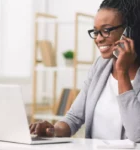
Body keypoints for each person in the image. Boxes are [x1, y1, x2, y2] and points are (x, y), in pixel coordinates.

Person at [30, 0, 140, 142]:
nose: (98, 39)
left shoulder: (124, 71)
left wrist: (122, 72)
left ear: (129, 31)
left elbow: (137, 135)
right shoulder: (100, 66)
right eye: (95, 31)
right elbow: (74, 117)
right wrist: (52, 131)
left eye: (106, 30)